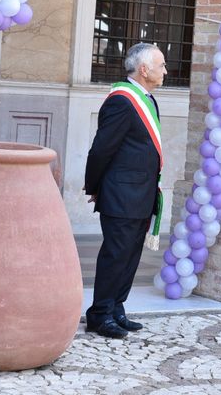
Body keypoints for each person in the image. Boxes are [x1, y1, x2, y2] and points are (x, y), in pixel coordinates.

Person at [84, 42, 167, 339]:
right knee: (115, 255)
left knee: (131, 255)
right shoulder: (122, 100)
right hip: (121, 194)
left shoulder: (148, 100)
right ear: (144, 70)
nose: (165, 71)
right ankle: (99, 314)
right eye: (161, 65)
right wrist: (94, 186)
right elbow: (101, 150)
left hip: (141, 193)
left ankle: (117, 307)